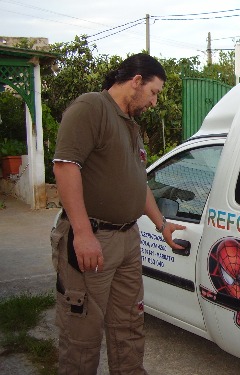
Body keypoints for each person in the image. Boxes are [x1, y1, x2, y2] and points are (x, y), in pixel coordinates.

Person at [50, 53, 185, 374]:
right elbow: (65, 167)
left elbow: (138, 184)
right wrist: (82, 233)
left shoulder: (131, 127)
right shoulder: (91, 108)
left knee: (129, 327)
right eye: (154, 92)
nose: (154, 102)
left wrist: (160, 223)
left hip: (127, 240)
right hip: (94, 238)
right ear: (136, 81)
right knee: (82, 335)